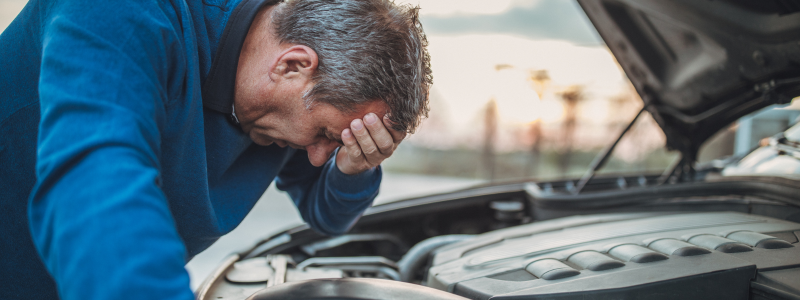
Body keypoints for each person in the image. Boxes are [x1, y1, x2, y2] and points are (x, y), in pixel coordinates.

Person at [0, 0, 432, 298]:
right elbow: (95, 192)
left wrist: (352, 169)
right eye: (324, 134)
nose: (319, 156)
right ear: (293, 65)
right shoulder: (121, 15)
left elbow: (327, 215)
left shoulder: (281, 98)